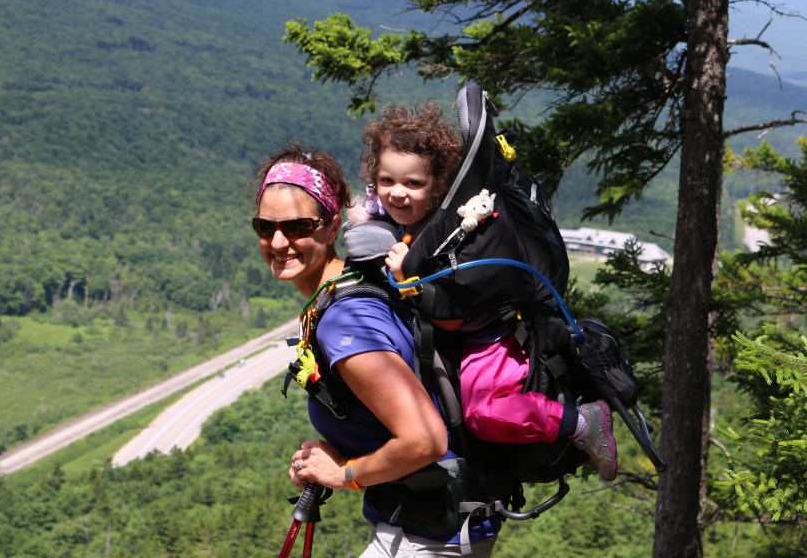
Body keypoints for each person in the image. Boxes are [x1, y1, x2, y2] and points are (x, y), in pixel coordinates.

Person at [252, 143, 499, 556]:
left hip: (428, 538)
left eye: (297, 227)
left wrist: (346, 473)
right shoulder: (349, 290)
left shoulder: (347, 319)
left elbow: (425, 439)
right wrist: (337, 453)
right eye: (265, 227)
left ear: (332, 228)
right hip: (425, 526)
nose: (278, 242)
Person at [356, 102, 618, 482]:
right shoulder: (409, 219)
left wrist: (408, 278)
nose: (397, 194)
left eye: (413, 184)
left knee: (484, 414)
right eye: (386, 181)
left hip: (491, 338)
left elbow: (452, 316)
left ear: (439, 187)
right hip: (475, 336)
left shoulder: (450, 237)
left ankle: (580, 422)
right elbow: (375, 209)